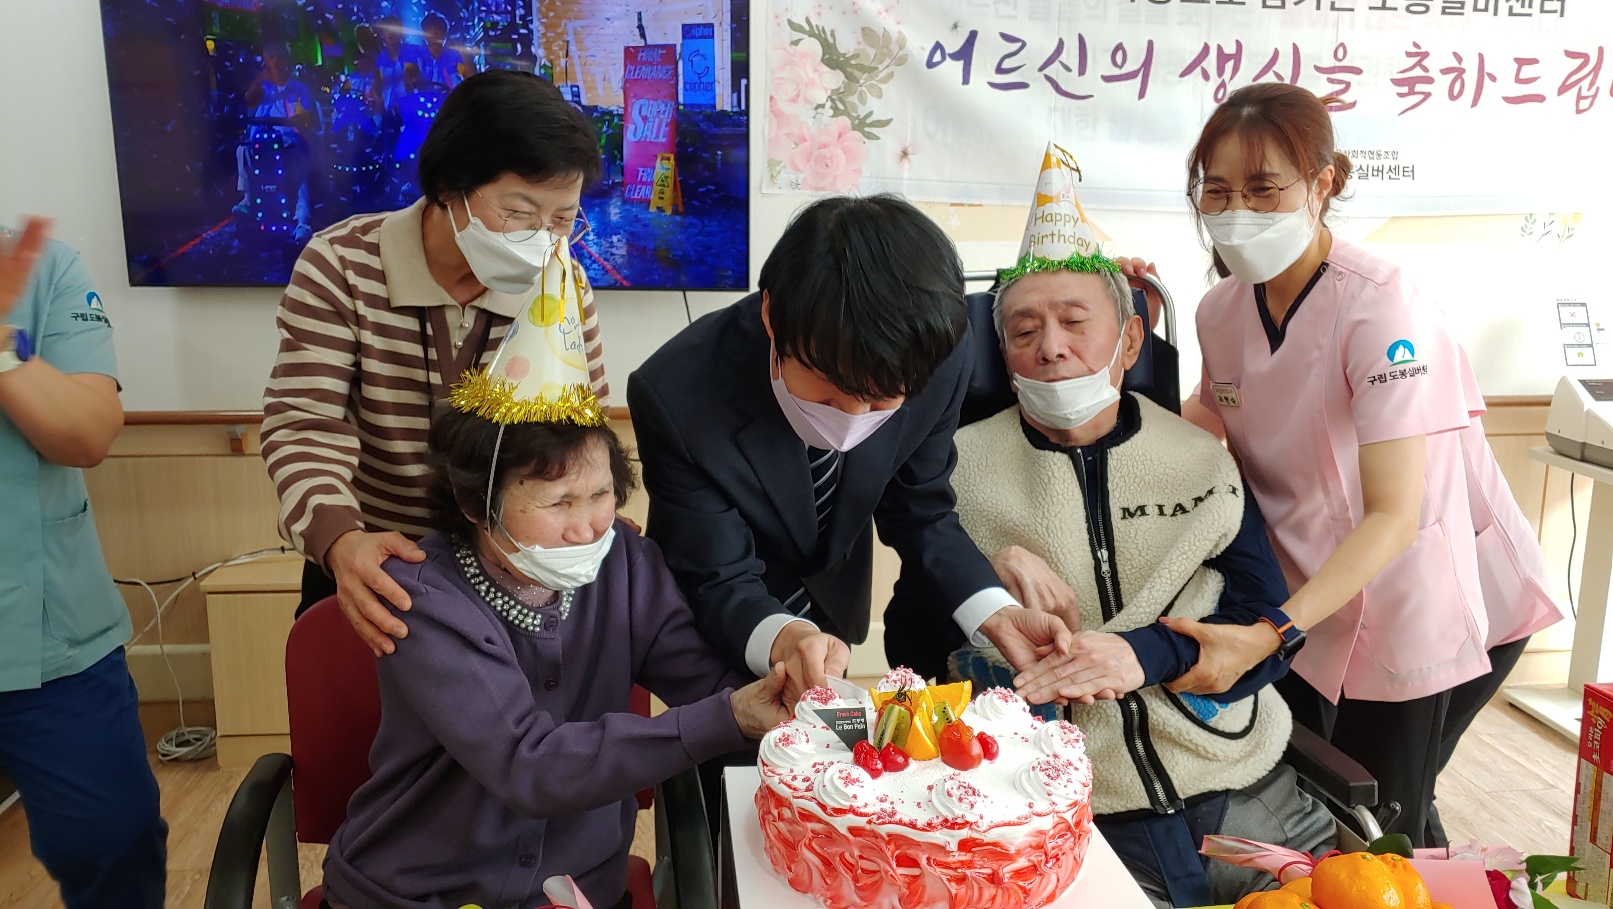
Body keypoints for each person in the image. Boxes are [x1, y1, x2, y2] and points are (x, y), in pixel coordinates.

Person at [321, 251, 790, 909]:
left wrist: (786, 683)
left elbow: (703, 678)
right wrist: (725, 718)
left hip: (575, 891)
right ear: (474, 503)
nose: (588, 526)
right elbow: (528, 763)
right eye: (558, 502)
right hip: (418, 892)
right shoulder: (420, 597)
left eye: (600, 494)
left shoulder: (624, 561)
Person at [926, 151, 1332, 907]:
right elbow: (921, 654)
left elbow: (1265, 625)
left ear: (1132, 343)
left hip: (1236, 786)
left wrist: (1144, 654)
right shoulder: (954, 471)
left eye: (1076, 323)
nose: (1051, 346)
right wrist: (986, 577)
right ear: (1002, 355)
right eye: (1023, 330)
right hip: (1064, 807)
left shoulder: (1199, 459)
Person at [1158, 82, 1560, 844]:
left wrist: (1270, 630)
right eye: (1217, 191)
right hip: (1309, 603)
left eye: (1263, 188)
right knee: (1339, 800)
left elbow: (1393, 515)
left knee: (1384, 823)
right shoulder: (1221, 309)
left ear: (1324, 182)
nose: (1237, 211)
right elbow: (1212, 418)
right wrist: (1114, 352)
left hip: (1420, 604)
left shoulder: (1382, 307)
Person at [628, 194, 1075, 704]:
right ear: (772, 315)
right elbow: (716, 576)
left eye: (882, 400)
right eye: (828, 392)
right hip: (721, 630)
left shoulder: (936, 353)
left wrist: (994, 612)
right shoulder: (677, 394)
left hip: (833, 602)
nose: (854, 416)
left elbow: (920, 507)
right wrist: (784, 636)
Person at [261, 71, 609, 656]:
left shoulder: (562, 283)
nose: (545, 242)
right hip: (372, 565)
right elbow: (304, 427)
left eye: (561, 220)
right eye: (519, 212)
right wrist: (341, 542)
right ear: (449, 187)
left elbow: (580, 429)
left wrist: (586, 518)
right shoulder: (341, 266)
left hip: (512, 571)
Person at [0, 218, 167, 908]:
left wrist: (3, 343)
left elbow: (89, 432)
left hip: (49, 632)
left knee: (114, 841)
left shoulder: (42, 266)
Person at [233, 42, 320, 243]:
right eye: (271, 58)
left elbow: (303, 116)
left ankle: (302, 219)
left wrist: (291, 121)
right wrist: (258, 81)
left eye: (279, 57)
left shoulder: (299, 89)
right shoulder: (262, 87)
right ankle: (248, 199)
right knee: (242, 151)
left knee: (298, 161)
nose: (276, 62)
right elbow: (248, 101)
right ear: (266, 61)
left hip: (288, 138)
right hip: (261, 138)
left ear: (286, 60)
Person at [405, 12, 467, 91]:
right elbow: (409, 70)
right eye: (429, 29)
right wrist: (409, 78)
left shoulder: (455, 57)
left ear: (445, 33)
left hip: (450, 97)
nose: (433, 32)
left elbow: (466, 75)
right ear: (424, 34)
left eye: (438, 28)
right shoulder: (416, 54)